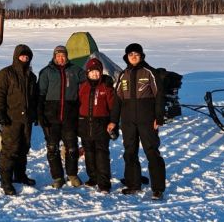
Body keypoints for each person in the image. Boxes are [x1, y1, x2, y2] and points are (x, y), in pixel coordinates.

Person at [108, 43, 167, 200]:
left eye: (136, 54)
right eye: (130, 54)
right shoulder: (123, 74)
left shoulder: (149, 72)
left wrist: (159, 117)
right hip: (128, 121)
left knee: (152, 152)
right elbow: (117, 100)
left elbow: (160, 96)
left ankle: (158, 188)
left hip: (147, 120)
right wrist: (113, 120)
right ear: (126, 57)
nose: (133, 57)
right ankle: (133, 184)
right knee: (130, 153)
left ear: (141, 56)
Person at [37, 45, 87, 188]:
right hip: (51, 117)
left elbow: (89, 81)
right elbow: (40, 95)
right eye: (58, 56)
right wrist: (40, 114)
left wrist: (105, 80)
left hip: (70, 116)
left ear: (67, 56)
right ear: (54, 57)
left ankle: (72, 174)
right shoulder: (46, 72)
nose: (61, 58)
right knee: (52, 148)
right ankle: (58, 177)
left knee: (72, 148)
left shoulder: (75, 70)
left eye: (63, 55)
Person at [0, 44, 38, 196]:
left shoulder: (31, 77)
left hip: (26, 119)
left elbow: (34, 98)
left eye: (27, 57)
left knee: (24, 148)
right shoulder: (5, 74)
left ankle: (20, 175)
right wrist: (0, 112)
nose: (24, 59)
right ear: (16, 57)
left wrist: (35, 113)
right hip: (11, 118)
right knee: (10, 149)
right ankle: (6, 180)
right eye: (22, 56)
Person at [78, 58, 116, 193]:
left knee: (101, 154)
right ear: (87, 73)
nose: (94, 74)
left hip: (101, 124)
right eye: (92, 72)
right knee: (89, 153)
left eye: (97, 72)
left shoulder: (106, 86)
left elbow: (113, 106)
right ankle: (93, 177)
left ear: (101, 72)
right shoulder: (83, 86)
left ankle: (104, 183)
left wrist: (113, 122)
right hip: (85, 124)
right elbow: (78, 103)